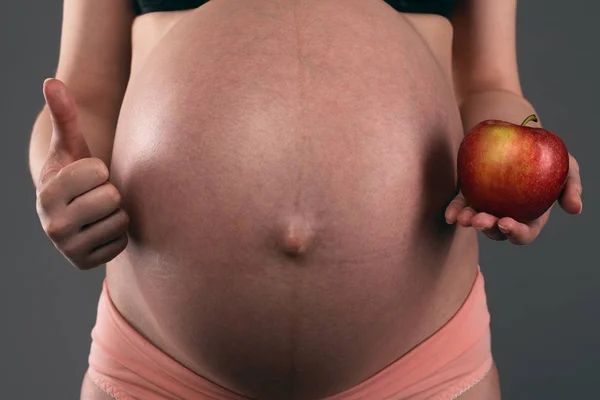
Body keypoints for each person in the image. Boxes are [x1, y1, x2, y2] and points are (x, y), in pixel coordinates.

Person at [28, 0, 583, 399]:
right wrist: (57, 179)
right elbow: (86, 90)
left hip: (421, 362)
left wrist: (525, 168)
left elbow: (488, 78)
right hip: (161, 365)